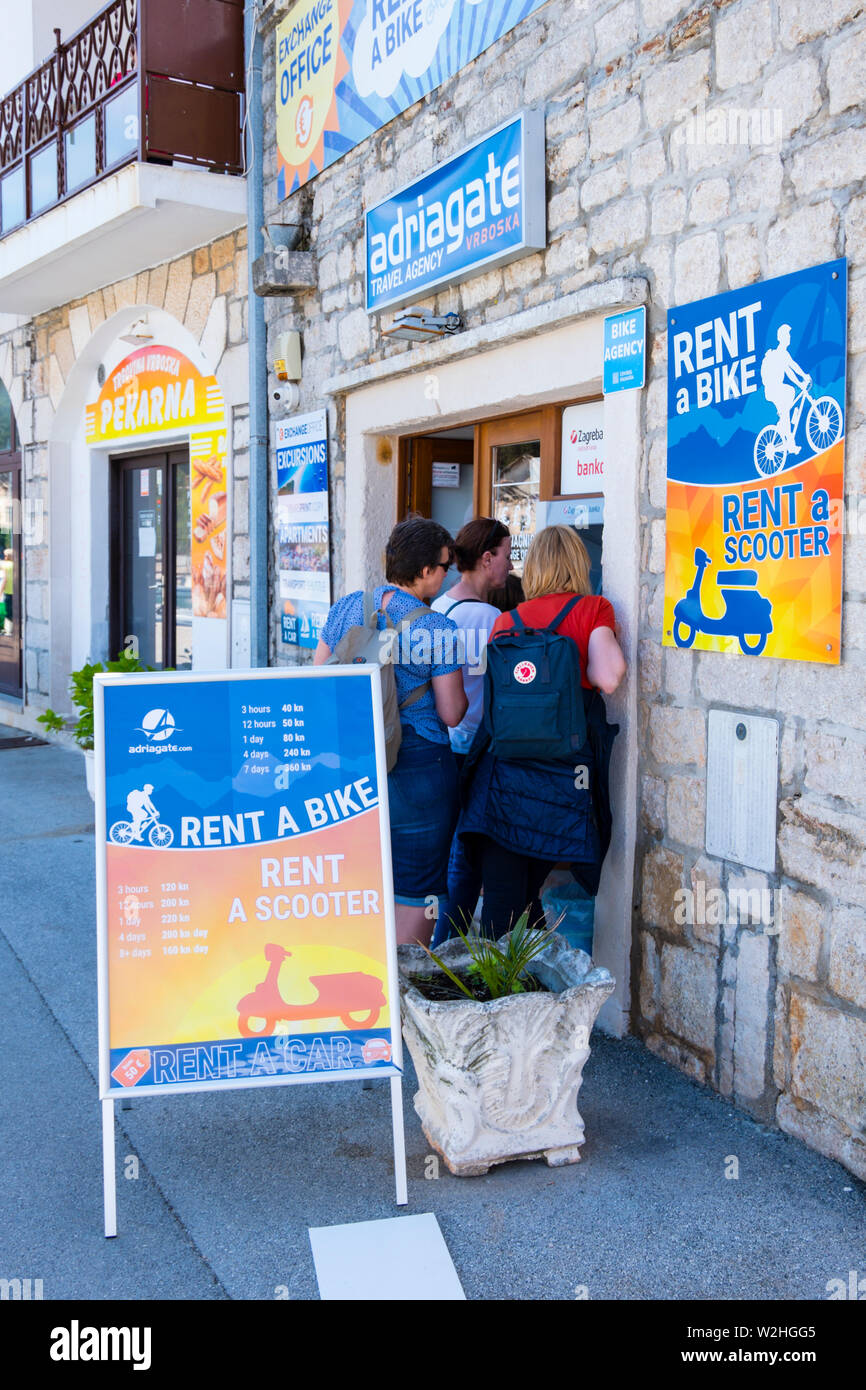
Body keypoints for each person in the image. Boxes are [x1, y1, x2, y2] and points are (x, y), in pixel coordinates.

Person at [457, 525, 626, 939]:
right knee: (527, 892)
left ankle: (503, 992)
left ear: (533, 567)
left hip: (505, 776)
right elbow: (609, 678)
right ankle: (525, 991)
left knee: (505, 899)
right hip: (561, 778)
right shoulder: (593, 609)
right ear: (577, 564)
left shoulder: (507, 622)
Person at [314, 516, 467, 947]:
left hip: (354, 757)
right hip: (419, 766)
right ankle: (399, 987)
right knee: (417, 885)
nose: (446, 574)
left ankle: (362, 976)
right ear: (424, 572)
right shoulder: (437, 629)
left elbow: (317, 678)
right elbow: (452, 713)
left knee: (362, 872)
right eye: (443, 566)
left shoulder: (347, 607)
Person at [429, 517, 512, 944]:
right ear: (486, 557)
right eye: (506, 555)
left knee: (451, 853)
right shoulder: (494, 619)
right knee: (469, 858)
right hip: (479, 750)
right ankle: (451, 948)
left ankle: (442, 946)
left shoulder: (438, 609)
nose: (509, 567)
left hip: (443, 748)